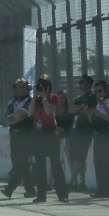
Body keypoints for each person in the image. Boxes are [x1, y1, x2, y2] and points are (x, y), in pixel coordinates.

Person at [28, 74, 68, 203]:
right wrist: (35, 97)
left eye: (44, 85)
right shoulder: (36, 100)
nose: (42, 88)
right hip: (38, 134)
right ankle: (41, 194)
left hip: (50, 133)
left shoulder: (53, 98)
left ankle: (62, 194)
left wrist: (45, 98)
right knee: (39, 166)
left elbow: (49, 112)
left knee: (55, 164)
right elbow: (30, 112)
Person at [1, 78, 35, 199]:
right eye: (17, 87)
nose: (19, 90)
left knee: (21, 162)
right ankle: (30, 190)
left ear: (27, 88)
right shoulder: (12, 100)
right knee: (19, 162)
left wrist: (13, 119)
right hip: (14, 133)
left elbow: (22, 115)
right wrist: (13, 119)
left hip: (26, 134)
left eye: (22, 87)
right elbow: (7, 117)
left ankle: (10, 188)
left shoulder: (30, 101)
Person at [67, 74, 96, 191]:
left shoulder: (92, 96)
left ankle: (71, 181)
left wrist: (79, 109)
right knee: (76, 156)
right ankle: (82, 182)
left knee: (80, 155)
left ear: (88, 84)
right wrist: (80, 108)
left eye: (82, 82)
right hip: (77, 129)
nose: (80, 84)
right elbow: (71, 109)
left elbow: (89, 110)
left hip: (87, 130)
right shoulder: (80, 98)